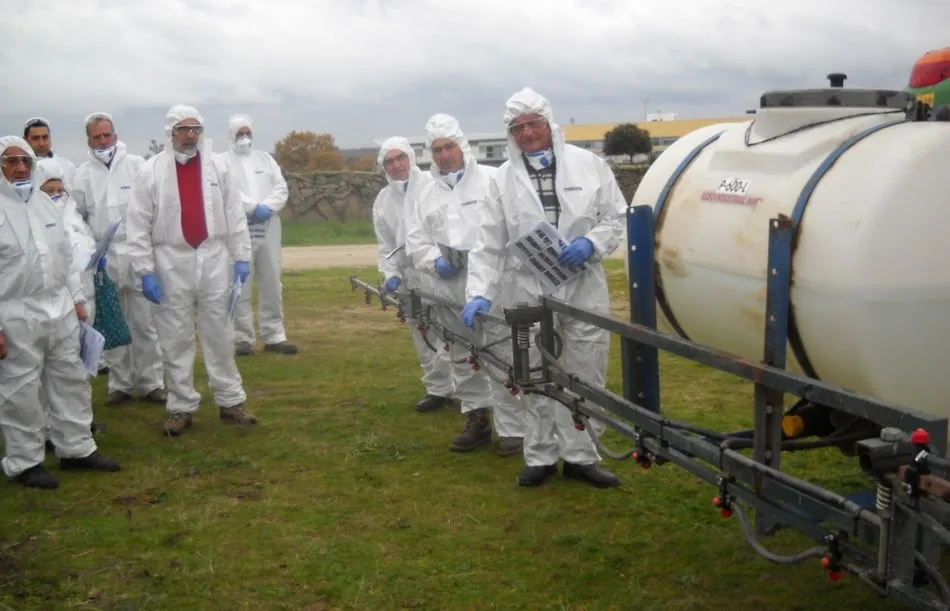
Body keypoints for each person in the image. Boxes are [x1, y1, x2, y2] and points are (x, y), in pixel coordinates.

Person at [462, 87, 626, 488]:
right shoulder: (501, 181)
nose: (528, 132)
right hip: (528, 285)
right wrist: (479, 291)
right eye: (518, 127)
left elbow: (616, 215)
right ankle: (540, 456)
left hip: (583, 281)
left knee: (586, 367)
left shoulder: (590, 166)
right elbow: (488, 242)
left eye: (534, 123)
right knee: (533, 373)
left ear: (549, 124)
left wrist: (592, 243)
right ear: (511, 135)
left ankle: (581, 455)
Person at [126, 104, 256, 437]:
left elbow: (235, 213)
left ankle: (230, 401)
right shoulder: (151, 171)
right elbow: (137, 224)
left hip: (213, 256)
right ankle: (180, 405)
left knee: (220, 333)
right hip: (170, 260)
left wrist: (241, 255)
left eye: (195, 129)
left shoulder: (218, 167)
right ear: (171, 132)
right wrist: (146, 271)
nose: (190, 135)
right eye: (183, 129)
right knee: (175, 337)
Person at [0, 135, 121, 489]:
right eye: (10, 161)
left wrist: (79, 300)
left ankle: (77, 449)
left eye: (25, 161)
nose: (20, 167)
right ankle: (25, 461)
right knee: (19, 390)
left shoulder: (44, 203)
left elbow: (66, 258)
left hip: (60, 308)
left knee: (71, 380)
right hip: (15, 312)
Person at [406, 114, 524, 456]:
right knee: (460, 353)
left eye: (450, 147)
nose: (444, 155)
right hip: (450, 288)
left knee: (502, 353)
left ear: (463, 146)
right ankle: (477, 420)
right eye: (438, 149)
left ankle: (513, 429)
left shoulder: (491, 180)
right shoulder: (426, 194)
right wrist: (433, 261)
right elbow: (416, 240)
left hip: (493, 286)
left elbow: (510, 229)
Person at [72, 112, 166, 407]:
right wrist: (91, 251)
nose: (103, 141)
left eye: (107, 135)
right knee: (113, 321)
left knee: (144, 322)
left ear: (115, 135)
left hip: (136, 252)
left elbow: (152, 209)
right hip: (105, 258)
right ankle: (121, 383)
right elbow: (77, 217)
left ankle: (152, 381)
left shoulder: (137, 166)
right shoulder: (82, 175)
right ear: (89, 140)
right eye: (97, 137)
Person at [371, 136, 455, 413]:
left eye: (400, 158)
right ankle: (439, 389)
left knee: (457, 334)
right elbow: (386, 246)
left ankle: (472, 392)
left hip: (441, 273)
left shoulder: (433, 188)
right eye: (389, 162)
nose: (396, 166)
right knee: (423, 334)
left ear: (411, 157)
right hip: (410, 278)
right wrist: (390, 273)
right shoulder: (383, 202)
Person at [218, 114, 297, 356]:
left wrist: (269, 207)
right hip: (239, 228)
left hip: (269, 227)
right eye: (240, 133)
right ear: (231, 135)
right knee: (239, 282)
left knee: (272, 280)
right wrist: (252, 207)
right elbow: (227, 191)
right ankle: (242, 337)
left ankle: (274, 335)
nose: (244, 137)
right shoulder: (222, 162)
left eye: (247, 133)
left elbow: (281, 187)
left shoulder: (266, 159)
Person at [23, 117, 77, 189]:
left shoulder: (67, 167)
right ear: (25, 140)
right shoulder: (20, 169)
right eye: (35, 138)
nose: (41, 143)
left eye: (45, 137)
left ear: (50, 138)